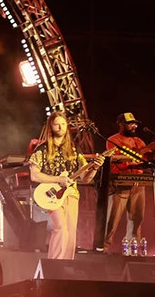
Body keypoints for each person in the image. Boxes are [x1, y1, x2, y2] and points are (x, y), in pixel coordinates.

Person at [28, 111, 104, 259]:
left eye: (63, 124)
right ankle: (55, 264)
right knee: (60, 227)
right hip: (51, 194)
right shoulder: (42, 149)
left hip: (71, 193)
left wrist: (94, 168)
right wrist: (57, 180)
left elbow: (85, 178)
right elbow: (34, 175)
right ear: (51, 126)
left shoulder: (74, 150)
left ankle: (67, 265)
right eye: (57, 124)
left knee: (70, 231)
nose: (60, 127)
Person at [104, 112, 153, 252]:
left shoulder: (139, 141)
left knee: (137, 220)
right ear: (121, 125)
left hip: (138, 185)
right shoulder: (113, 140)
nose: (134, 126)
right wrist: (147, 148)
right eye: (131, 123)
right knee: (112, 221)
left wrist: (152, 151)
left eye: (135, 123)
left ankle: (133, 251)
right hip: (120, 185)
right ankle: (104, 249)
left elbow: (146, 160)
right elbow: (124, 158)